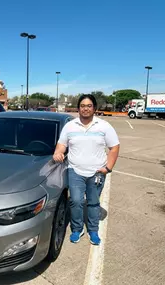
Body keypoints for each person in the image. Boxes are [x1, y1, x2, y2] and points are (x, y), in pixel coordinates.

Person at [53, 94, 120, 245]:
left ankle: (93, 231)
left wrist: (108, 167)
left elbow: (114, 147)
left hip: (97, 173)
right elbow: (62, 144)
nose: (85, 108)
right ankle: (77, 229)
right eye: (83, 106)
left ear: (94, 108)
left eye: (89, 106)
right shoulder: (70, 126)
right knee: (76, 201)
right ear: (78, 109)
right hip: (75, 171)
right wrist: (58, 152)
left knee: (93, 202)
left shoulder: (104, 126)